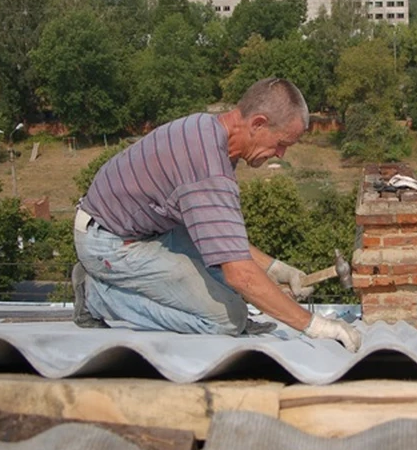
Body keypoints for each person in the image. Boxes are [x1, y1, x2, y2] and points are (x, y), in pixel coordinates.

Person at [70, 77, 361, 352]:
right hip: (110, 243)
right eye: (282, 143)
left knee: (241, 290)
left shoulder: (206, 129)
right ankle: (97, 296)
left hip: (140, 228)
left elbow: (221, 237)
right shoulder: (208, 169)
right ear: (258, 124)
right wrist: (318, 327)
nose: (281, 154)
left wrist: (277, 271)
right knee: (228, 319)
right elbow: (240, 274)